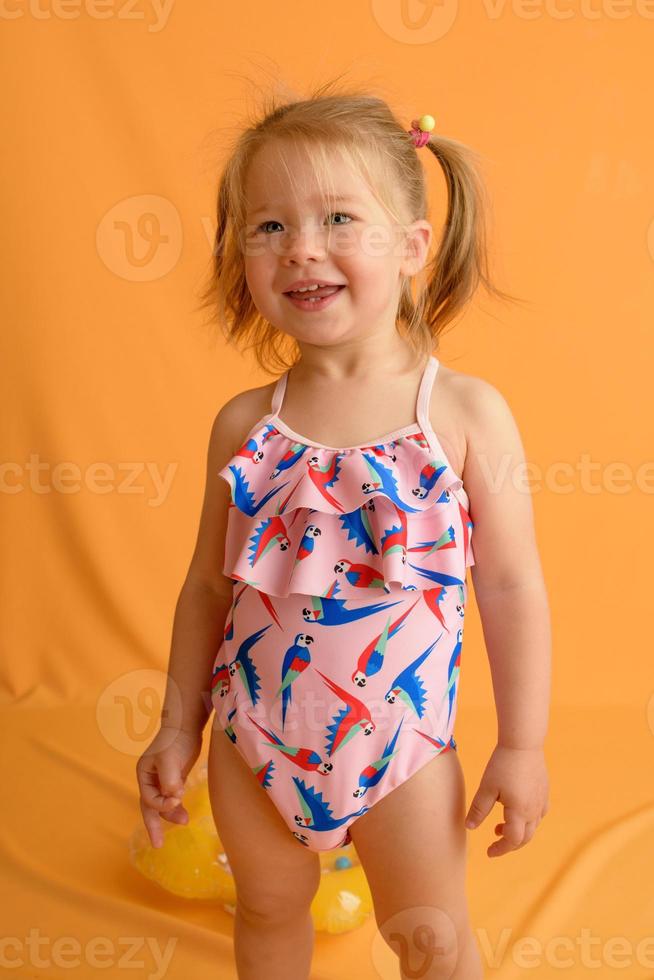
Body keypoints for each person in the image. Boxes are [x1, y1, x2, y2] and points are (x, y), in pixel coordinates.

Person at [136, 80, 551, 980]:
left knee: (431, 937)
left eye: (336, 219)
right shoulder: (247, 423)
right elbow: (208, 588)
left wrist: (521, 745)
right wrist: (178, 727)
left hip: (401, 752)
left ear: (411, 247)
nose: (301, 250)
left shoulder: (466, 415)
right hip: (253, 742)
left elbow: (512, 585)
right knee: (269, 913)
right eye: (269, 227)